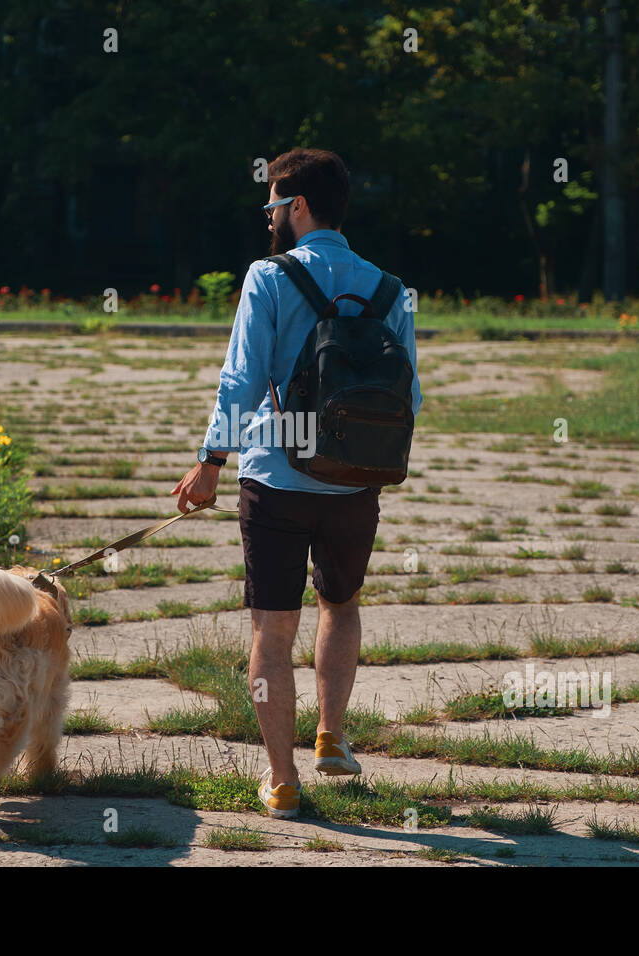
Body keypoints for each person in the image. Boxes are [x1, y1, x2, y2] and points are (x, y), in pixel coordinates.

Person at [171, 147, 422, 819]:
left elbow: (242, 378)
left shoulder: (267, 277)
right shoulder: (389, 288)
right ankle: (331, 739)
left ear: (299, 206)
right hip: (355, 485)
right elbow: (412, 397)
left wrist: (210, 462)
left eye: (274, 204)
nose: (270, 217)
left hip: (276, 480)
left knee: (271, 631)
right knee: (340, 606)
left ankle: (282, 781)